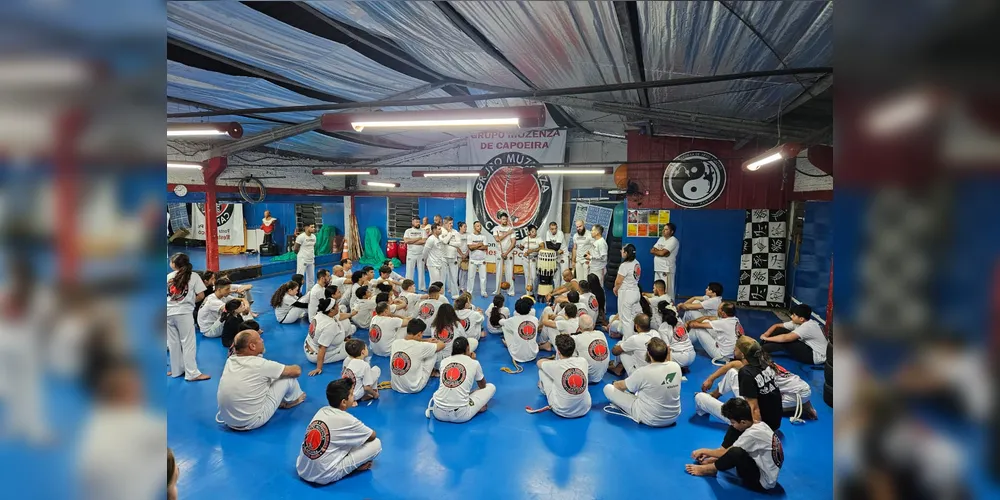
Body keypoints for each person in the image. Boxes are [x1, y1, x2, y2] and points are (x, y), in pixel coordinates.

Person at [695, 336, 817, 423]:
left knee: (765, 404)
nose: (733, 350)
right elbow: (732, 366)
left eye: (736, 348)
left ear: (743, 353)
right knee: (733, 373)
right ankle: (713, 395)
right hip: (801, 388)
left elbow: (754, 404)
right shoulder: (760, 360)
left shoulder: (750, 370)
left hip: (795, 395)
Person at [296, 378, 382, 485]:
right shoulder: (348, 420)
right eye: (351, 394)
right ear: (344, 402)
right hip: (323, 476)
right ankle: (352, 469)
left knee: (347, 439)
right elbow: (372, 436)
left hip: (302, 468)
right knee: (376, 444)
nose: (353, 396)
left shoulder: (322, 410)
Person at [686, 397, 783, 491]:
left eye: (733, 422)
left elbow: (727, 452)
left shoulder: (751, 434)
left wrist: (704, 451)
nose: (731, 424)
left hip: (761, 482)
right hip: (762, 466)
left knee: (735, 452)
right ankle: (717, 460)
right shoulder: (760, 424)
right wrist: (713, 455)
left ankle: (710, 469)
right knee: (735, 428)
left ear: (743, 422)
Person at [216, 330, 305, 431]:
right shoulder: (260, 365)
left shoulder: (230, 361)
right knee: (288, 379)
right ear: (252, 346)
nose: (262, 340)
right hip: (251, 422)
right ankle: (294, 400)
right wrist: (296, 365)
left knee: (268, 377)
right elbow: (296, 371)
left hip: (228, 420)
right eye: (259, 338)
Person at [603, 337, 682, 427]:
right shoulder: (676, 366)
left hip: (651, 418)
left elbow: (622, 386)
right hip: (674, 417)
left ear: (649, 354)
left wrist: (615, 384)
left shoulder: (644, 372)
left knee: (608, 388)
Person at [427, 337, 496, 423]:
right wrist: (473, 361)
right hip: (460, 415)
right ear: (468, 349)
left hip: (437, 412)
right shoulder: (474, 363)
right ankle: (474, 406)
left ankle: (469, 400)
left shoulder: (444, 361)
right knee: (491, 387)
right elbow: (482, 386)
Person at [166, 253, 210, 381]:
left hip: (168, 312)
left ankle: (176, 370)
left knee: (173, 343)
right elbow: (201, 295)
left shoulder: (169, 276)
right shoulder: (194, 276)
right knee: (188, 343)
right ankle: (192, 373)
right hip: (184, 313)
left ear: (174, 264)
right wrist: (189, 301)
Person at [536, 334, 591, 418]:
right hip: (584, 409)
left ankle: (543, 389)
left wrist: (549, 362)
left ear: (558, 351)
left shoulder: (556, 365)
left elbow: (539, 363)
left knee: (542, 371)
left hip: (562, 411)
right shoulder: (583, 361)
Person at [760, 303, 829, 365]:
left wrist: (766, 338)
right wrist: (765, 334)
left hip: (815, 357)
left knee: (786, 342)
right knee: (780, 330)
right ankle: (760, 346)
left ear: (801, 318)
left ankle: (759, 351)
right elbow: (776, 326)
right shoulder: (798, 322)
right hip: (810, 348)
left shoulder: (808, 326)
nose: (791, 316)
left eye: (794, 315)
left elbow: (785, 338)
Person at [389, 320, 446, 394]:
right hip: (414, 387)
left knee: (418, 356)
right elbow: (442, 345)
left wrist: (425, 340)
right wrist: (435, 341)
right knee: (434, 352)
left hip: (395, 386)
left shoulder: (395, 343)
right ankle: (436, 372)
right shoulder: (420, 347)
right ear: (419, 334)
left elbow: (413, 341)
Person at [305, 298, 349, 376]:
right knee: (358, 349)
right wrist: (319, 368)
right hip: (316, 353)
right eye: (336, 305)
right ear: (331, 310)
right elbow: (322, 348)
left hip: (309, 345)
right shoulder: (330, 326)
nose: (338, 306)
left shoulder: (320, 314)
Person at [431, 303, 479, 369]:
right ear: (452, 313)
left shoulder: (433, 326)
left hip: (438, 363)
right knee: (473, 341)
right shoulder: (456, 324)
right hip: (455, 359)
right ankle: (465, 357)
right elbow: (464, 339)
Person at [613, 243, 642, 340]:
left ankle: (628, 341)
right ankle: (637, 337)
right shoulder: (637, 263)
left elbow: (618, 281)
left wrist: (615, 289)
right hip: (636, 292)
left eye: (622, 250)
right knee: (634, 316)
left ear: (626, 253)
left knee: (626, 319)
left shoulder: (624, 265)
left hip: (627, 294)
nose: (621, 252)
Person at [499, 297, 540, 364]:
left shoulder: (513, 320)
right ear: (529, 309)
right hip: (533, 354)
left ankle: (509, 344)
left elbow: (501, 322)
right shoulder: (535, 319)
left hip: (517, 355)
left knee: (505, 326)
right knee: (513, 328)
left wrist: (501, 320)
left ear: (516, 310)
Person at [571, 315, 609, 384]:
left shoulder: (576, 338)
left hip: (585, 378)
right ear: (593, 325)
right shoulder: (601, 334)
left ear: (579, 327)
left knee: (567, 350)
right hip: (601, 375)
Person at [650, 223, 679, 299]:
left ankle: (669, 308)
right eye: (663, 229)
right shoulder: (661, 239)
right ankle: (659, 307)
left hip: (666, 269)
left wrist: (661, 252)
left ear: (671, 231)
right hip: (657, 268)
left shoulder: (673, 240)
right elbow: (652, 250)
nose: (663, 231)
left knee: (667, 291)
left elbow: (663, 253)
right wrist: (660, 252)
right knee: (657, 290)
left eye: (666, 229)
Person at [492, 212, 517, 296]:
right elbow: (497, 239)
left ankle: (511, 291)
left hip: (508, 252)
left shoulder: (511, 229)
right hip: (499, 252)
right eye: (503, 219)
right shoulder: (496, 228)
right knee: (498, 272)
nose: (505, 220)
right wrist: (507, 233)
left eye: (506, 219)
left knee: (509, 272)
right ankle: (497, 290)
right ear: (500, 220)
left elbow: (513, 242)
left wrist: (506, 253)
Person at [466, 221, 490, 297]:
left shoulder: (484, 237)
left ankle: (483, 292)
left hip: (482, 260)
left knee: (483, 277)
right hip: (472, 260)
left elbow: (485, 247)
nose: (479, 227)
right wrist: (479, 244)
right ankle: (469, 292)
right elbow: (470, 248)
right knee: (470, 277)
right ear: (474, 227)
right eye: (477, 226)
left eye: (480, 226)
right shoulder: (470, 236)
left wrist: (475, 246)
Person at [403, 216, 427, 291]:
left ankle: (422, 287)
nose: (418, 223)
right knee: (409, 271)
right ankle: (408, 287)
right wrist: (418, 238)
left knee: (421, 271)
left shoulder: (423, 231)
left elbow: (423, 241)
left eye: (418, 222)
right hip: (411, 254)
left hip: (421, 254)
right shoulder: (408, 231)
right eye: (416, 222)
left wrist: (412, 241)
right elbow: (406, 241)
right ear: (412, 222)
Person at [440, 217, 462, 299]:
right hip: (443, 257)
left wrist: (450, 242)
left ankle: (455, 294)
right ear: (445, 223)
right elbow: (444, 241)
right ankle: (441, 295)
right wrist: (449, 234)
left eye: (452, 223)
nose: (451, 225)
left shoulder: (455, 232)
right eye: (450, 223)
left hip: (453, 257)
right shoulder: (440, 230)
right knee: (442, 277)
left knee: (454, 276)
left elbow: (459, 244)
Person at [518, 224, 544, 294]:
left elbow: (542, 247)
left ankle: (535, 291)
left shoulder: (539, 238)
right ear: (529, 232)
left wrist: (532, 250)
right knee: (527, 275)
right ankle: (528, 292)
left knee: (534, 276)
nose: (534, 233)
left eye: (535, 231)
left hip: (533, 259)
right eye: (532, 231)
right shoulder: (525, 239)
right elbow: (521, 247)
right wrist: (524, 251)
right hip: (525, 259)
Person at [544, 221, 569, 288]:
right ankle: (557, 291)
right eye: (552, 229)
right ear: (549, 229)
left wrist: (555, 248)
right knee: (555, 275)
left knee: (564, 274)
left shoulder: (560, 233)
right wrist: (557, 250)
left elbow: (557, 246)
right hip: (555, 255)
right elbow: (548, 246)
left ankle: (564, 292)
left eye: (555, 228)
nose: (554, 230)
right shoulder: (548, 233)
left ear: (557, 228)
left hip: (563, 255)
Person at [294, 223, 318, 290]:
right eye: (312, 227)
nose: (314, 228)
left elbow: (313, 247)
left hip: (311, 259)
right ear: (306, 227)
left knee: (311, 279)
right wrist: (302, 255)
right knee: (299, 278)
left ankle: (309, 293)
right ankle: (298, 293)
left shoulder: (314, 237)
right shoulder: (301, 237)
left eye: (314, 227)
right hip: (302, 260)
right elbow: (295, 249)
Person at [424, 224, 447, 289]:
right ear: (434, 230)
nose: (441, 230)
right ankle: (431, 297)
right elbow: (425, 252)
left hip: (439, 263)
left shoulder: (439, 238)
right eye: (439, 229)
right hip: (432, 264)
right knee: (434, 282)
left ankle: (438, 296)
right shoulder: (431, 239)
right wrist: (424, 261)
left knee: (439, 282)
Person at [456, 222, 469, 294]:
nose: (466, 228)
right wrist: (461, 254)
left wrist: (466, 254)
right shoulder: (456, 235)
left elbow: (469, 245)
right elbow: (456, 246)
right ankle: (455, 287)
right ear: (460, 227)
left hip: (466, 257)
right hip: (458, 256)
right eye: (464, 227)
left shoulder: (468, 235)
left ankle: (462, 287)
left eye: (466, 227)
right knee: (456, 273)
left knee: (464, 272)